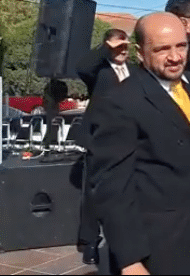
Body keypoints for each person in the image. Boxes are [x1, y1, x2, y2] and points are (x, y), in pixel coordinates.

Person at [88, 13, 190, 274]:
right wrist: (130, 260)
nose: (175, 57)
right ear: (140, 53)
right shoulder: (120, 101)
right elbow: (112, 185)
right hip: (155, 249)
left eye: (181, 46)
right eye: (162, 49)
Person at [75, 28, 139, 265]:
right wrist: (107, 47)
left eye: (125, 46)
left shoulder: (134, 71)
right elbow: (82, 66)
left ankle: (123, 238)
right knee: (93, 192)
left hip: (129, 138)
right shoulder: (98, 71)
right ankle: (90, 241)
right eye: (118, 46)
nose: (123, 50)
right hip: (100, 139)